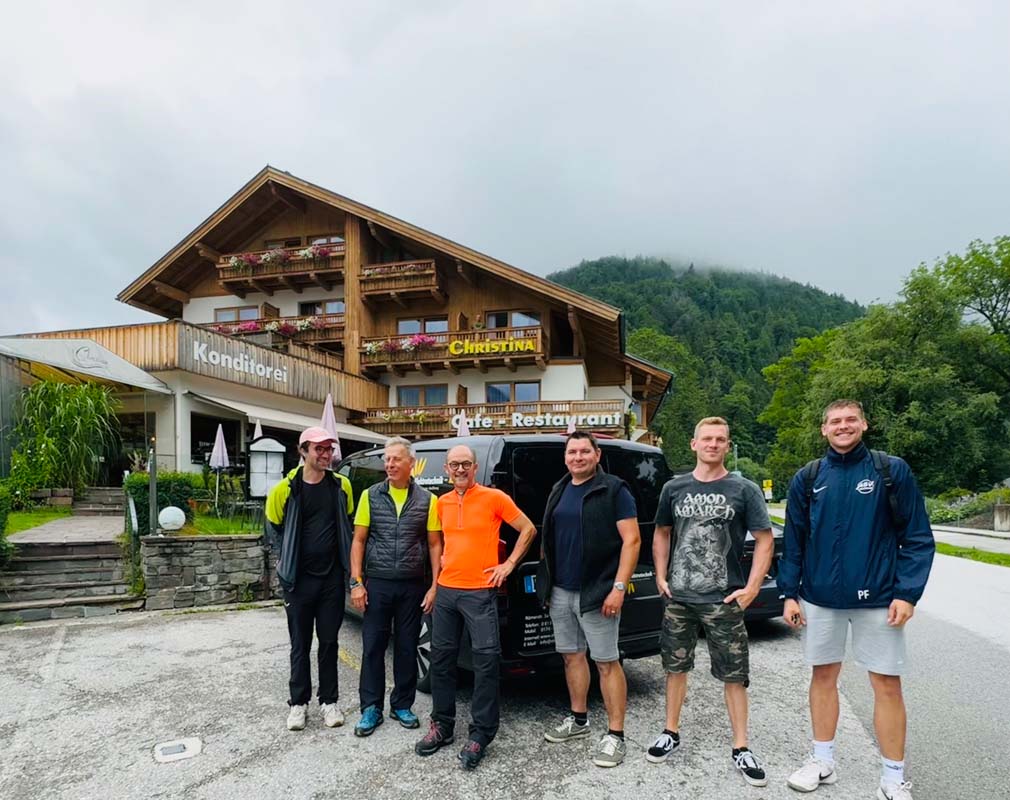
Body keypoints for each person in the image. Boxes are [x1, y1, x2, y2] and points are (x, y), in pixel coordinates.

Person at [780, 400, 934, 800]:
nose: (843, 426)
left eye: (850, 420)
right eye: (835, 421)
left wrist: (907, 592)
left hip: (879, 598)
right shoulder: (809, 476)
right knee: (823, 678)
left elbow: (916, 537)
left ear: (864, 424)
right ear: (823, 429)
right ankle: (822, 760)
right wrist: (788, 593)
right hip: (819, 597)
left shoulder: (890, 470)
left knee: (886, 684)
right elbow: (794, 541)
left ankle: (893, 777)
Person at [651, 416, 774, 787]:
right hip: (680, 597)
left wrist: (752, 587)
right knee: (675, 667)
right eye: (707, 438)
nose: (713, 444)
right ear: (694, 444)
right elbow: (661, 532)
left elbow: (764, 538)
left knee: (734, 673)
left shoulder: (744, 489)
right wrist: (660, 575)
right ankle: (670, 732)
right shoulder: (675, 488)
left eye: (720, 439)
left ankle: (741, 747)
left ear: (727, 445)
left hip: (723, 598)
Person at [414, 443, 537, 770]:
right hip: (447, 592)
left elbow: (528, 528)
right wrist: (435, 583)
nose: (459, 470)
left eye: (465, 464)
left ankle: (481, 734)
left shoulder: (494, 497)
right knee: (441, 661)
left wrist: (508, 564)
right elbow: (437, 543)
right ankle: (442, 725)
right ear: (447, 468)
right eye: (454, 465)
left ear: (475, 466)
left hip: (480, 593)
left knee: (485, 664)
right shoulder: (441, 502)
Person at [536, 431, 641, 768]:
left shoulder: (614, 489)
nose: (577, 457)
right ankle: (578, 720)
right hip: (561, 590)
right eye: (572, 452)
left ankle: (616, 736)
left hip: (598, 592)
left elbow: (632, 541)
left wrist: (619, 587)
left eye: (584, 451)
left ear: (597, 455)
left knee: (607, 662)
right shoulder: (559, 488)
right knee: (572, 657)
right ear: (565, 457)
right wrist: (548, 586)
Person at [349, 437, 443, 736]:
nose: (389, 464)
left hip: (412, 585)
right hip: (377, 584)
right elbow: (359, 540)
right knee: (373, 647)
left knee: (405, 648)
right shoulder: (370, 495)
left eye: (395, 459)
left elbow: (434, 544)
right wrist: (356, 582)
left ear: (410, 463)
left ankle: (402, 704)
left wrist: (435, 587)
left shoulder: (428, 500)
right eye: (387, 460)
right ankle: (371, 708)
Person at [265, 426, 355, 732]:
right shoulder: (285, 489)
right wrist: (282, 564)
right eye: (319, 449)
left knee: (329, 642)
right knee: (299, 644)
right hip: (298, 581)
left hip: (331, 579)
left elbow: (347, 524)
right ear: (303, 451)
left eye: (329, 449)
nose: (326, 454)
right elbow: (273, 527)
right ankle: (298, 704)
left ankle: (329, 702)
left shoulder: (341, 485)